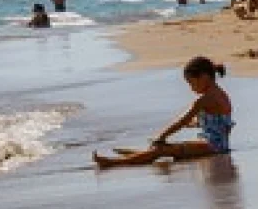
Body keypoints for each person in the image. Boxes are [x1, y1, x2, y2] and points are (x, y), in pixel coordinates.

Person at [93, 57, 233, 168]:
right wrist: (194, 123)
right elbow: (216, 121)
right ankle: (140, 154)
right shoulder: (221, 94)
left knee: (161, 150)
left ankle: (115, 163)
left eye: (192, 83)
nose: (191, 88)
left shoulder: (204, 100)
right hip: (218, 145)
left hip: (213, 147)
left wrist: (161, 136)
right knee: (168, 149)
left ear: (204, 77)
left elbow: (182, 120)